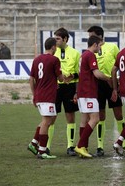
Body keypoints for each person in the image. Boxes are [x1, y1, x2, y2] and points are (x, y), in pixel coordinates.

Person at [87, 26, 125, 157]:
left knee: (119, 114)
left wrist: (119, 83)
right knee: (100, 116)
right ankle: (100, 146)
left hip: (112, 83)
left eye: (91, 35)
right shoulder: (90, 50)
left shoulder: (112, 47)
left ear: (99, 36)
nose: (89, 38)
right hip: (97, 84)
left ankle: (124, 143)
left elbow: (120, 65)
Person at [74, 35, 112, 158]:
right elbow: (97, 74)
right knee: (95, 118)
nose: (100, 48)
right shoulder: (90, 55)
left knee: (84, 120)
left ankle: (83, 148)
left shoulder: (83, 55)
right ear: (95, 44)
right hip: (88, 92)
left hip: (82, 92)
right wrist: (109, 78)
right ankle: (80, 146)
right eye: (100, 46)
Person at [27, 37, 64, 159]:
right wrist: (64, 78)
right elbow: (60, 78)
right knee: (47, 121)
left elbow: (31, 79)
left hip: (40, 94)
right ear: (53, 47)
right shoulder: (54, 60)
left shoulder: (37, 59)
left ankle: (34, 143)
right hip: (47, 95)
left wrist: (34, 94)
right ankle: (42, 151)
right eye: (56, 47)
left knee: (49, 119)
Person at [47, 27, 81, 156]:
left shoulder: (75, 53)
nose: (55, 41)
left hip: (70, 88)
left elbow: (79, 74)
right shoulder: (52, 52)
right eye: (54, 38)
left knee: (70, 117)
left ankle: (70, 146)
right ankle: (47, 146)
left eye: (58, 39)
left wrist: (76, 91)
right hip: (55, 87)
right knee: (51, 117)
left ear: (65, 39)